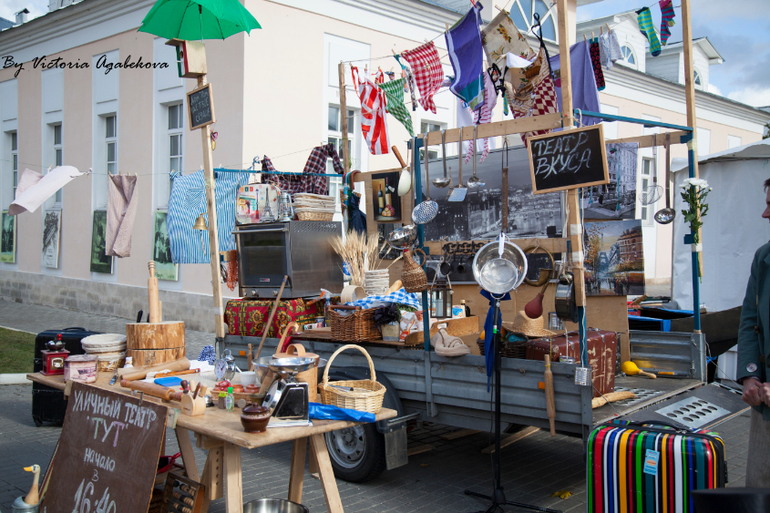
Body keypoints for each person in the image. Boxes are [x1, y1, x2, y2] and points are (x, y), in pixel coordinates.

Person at [736, 177, 770, 487]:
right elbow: (750, 321)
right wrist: (750, 376)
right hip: (765, 407)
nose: (764, 214)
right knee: (759, 491)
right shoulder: (764, 257)